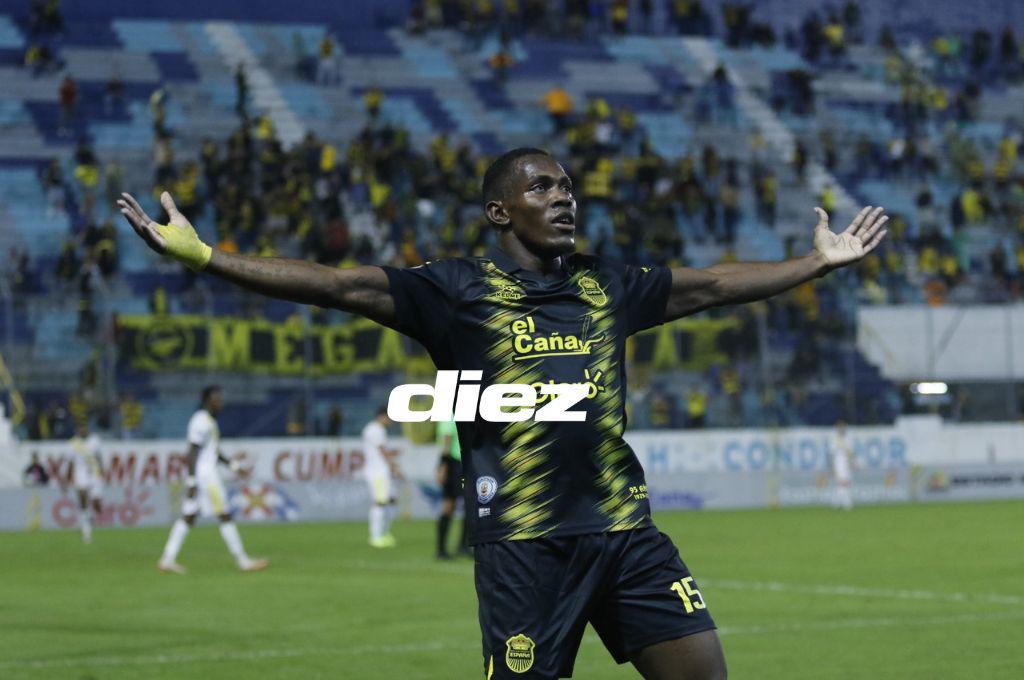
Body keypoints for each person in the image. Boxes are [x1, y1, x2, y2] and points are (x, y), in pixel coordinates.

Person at [118, 146, 888, 679]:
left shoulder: (606, 285)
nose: (564, 199)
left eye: (568, 187)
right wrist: (208, 256)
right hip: (527, 546)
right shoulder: (452, 292)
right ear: (499, 210)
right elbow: (332, 284)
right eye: (542, 188)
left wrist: (816, 261)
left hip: (626, 531)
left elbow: (716, 285)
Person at [157, 385, 268, 574]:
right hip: (206, 477)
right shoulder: (201, 421)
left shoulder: (210, 422)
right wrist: (192, 482)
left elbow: (213, 453)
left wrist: (234, 466)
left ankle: (167, 559)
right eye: (217, 398)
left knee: (188, 517)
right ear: (207, 400)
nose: (220, 401)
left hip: (202, 475)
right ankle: (242, 560)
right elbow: (192, 451)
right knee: (224, 515)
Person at [362, 405, 400, 548]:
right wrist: (394, 466)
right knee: (379, 502)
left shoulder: (377, 429)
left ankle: (384, 532)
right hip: (376, 472)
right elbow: (383, 452)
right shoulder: (375, 430)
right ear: (382, 416)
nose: (390, 421)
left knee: (391, 500)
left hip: (382, 471)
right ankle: (375, 536)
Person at [435, 416, 469, 559]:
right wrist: (443, 466)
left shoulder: (450, 414)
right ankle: (444, 549)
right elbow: (447, 441)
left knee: (462, 505)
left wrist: (442, 465)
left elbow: (447, 441)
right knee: (452, 505)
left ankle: (460, 546)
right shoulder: (449, 415)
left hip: (457, 463)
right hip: (455, 463)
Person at [69, 421, 104, 543]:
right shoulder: (74, 443)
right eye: (80, 428)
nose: (82, 430)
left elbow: (99, 457)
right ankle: (86, 531)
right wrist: (67, 478)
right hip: (81, 473)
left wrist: (102, 472)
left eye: (84, 427)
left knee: (96, 504)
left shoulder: (95, 441)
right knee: (83, 498)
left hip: (94, 474)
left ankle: (88, 519)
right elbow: (71, 462)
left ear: (87, 428)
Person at [831, 420, 854, 510]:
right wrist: (833, 466)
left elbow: (850, 452)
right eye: (840, 428)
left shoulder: (847, 439)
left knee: (846, 483)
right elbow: (833, 453)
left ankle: (837, 502)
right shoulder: (835, 439)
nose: (842, 429)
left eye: (843, 428)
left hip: (846, 462)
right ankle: (846, 503)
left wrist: (852, 462)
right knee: (842, 482)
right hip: (839, 462)